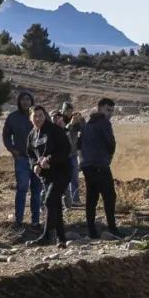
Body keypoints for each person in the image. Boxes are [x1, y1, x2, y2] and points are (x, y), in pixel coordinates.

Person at [25, 105, 71, 248]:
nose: (38, 118)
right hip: (46, 175)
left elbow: (65, 149)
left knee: (50, 200)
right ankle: (61, 239)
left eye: (40, 115)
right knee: (55, 205)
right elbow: (30, 154)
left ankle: (46, 235)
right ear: (30, 118)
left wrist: (49, 159)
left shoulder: (54, 131)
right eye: (35, 116)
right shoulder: (32, 135)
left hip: (62, 171)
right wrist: (34, 165)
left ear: (45, 116)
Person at [1, 89, 42, 230]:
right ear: (19, 102)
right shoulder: (13, 117)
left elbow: (48, 132)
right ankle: (19, 220)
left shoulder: (38, 116)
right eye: (23, 99)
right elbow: (6, 135)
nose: (25, 102)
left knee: (37, 190)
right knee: (22, 188)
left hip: (37, 159)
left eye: (28, 99)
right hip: (22, 158)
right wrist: (12, 150)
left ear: (32, 101)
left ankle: (35, 221)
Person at [79, 97, 119, 239]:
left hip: (87, 166)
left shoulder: (87, 124)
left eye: (112, 111)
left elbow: (79, 144)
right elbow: (111, 143)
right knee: (109, 197)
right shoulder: (104, 123)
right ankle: (112, 228)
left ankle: (91, 231)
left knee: (91, 199)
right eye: (108, 110)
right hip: (100, 165)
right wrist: (108, 157)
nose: (110, 113)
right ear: (100, 107)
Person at [62, 102, 83, 208]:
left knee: (74, 177)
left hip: (73, 153)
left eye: (70, 110)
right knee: (64, 178)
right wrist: (71, 123)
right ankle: (65, 201)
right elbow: (64, 132)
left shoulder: (75, 121)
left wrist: (80, 120)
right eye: (67, 110)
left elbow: (84, 130)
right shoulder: (60, 119)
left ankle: (75, 199)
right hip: (63, 155)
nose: (69, 113)